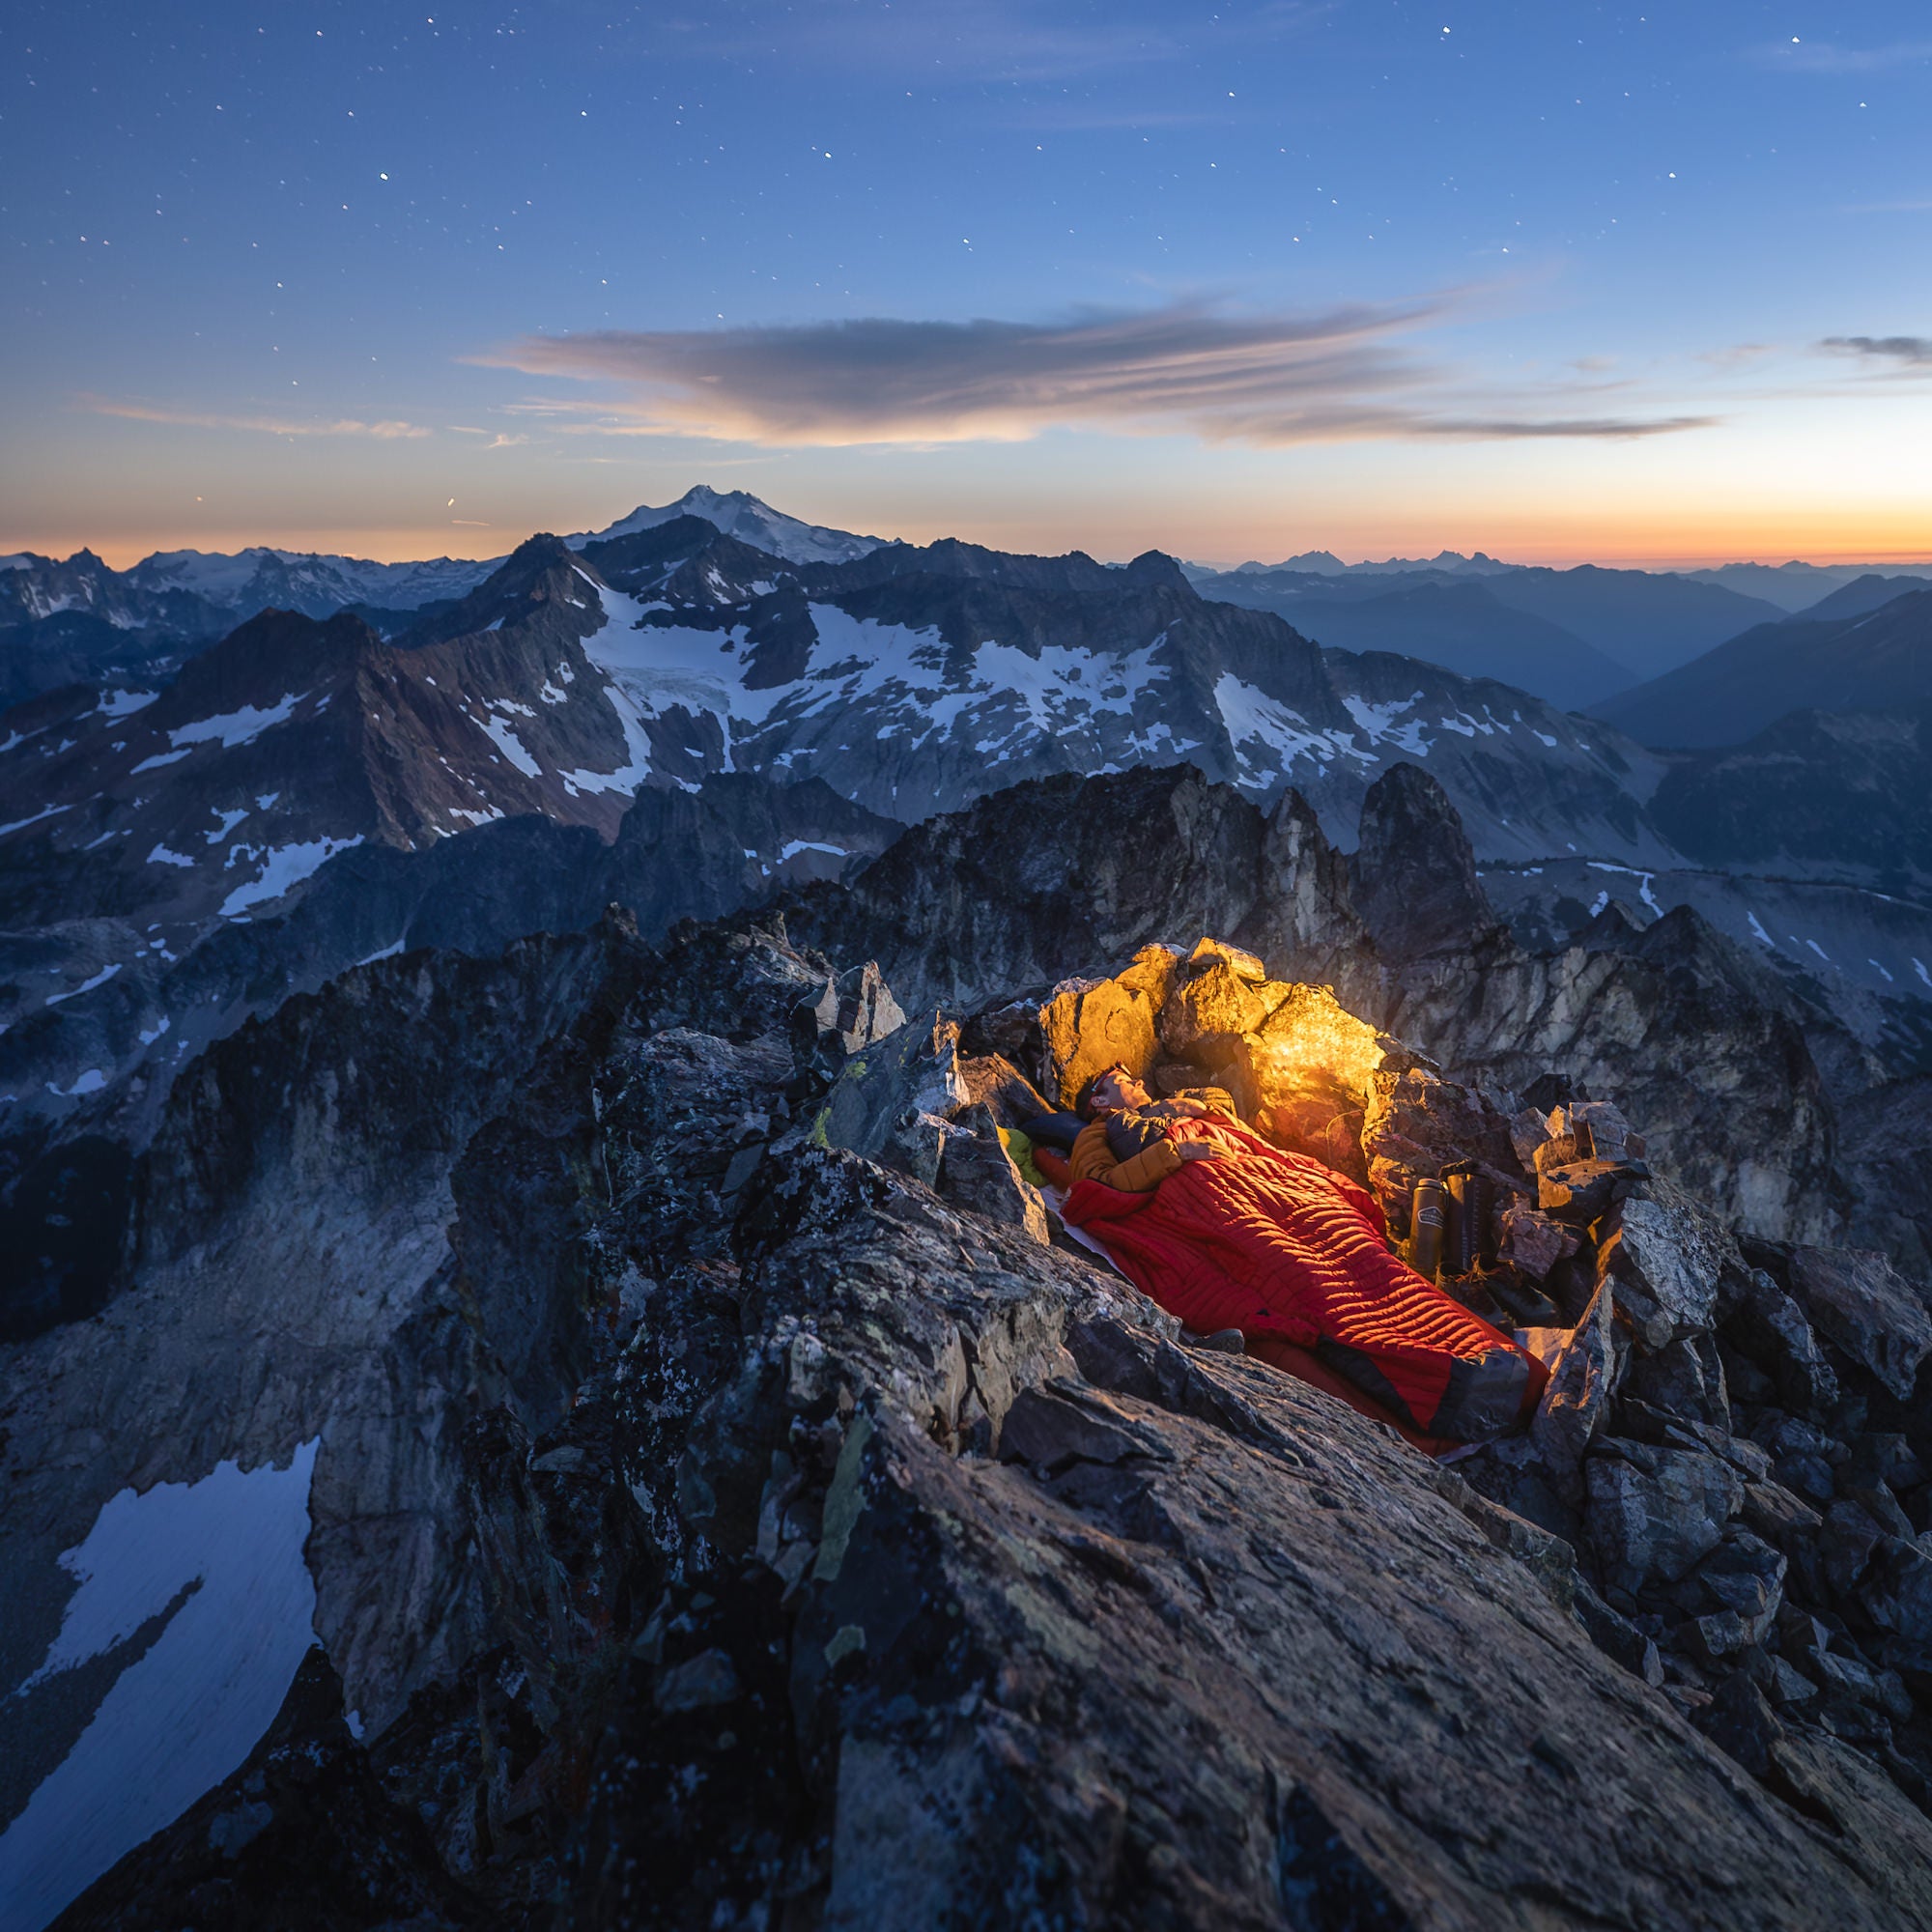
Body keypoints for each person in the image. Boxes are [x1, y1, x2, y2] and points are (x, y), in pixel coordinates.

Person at [1059, 1061, 1545, 1447]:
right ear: (1098, 1099)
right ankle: (1446, 1391)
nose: (1137, 1081)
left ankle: (1488, 1361)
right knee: (1307, 1287)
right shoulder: (1098, 1135)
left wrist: (1202, 1117)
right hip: (1213, 1207)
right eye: (1121, 1080)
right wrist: (1175, 1155)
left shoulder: (1179, 1111)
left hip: (1275, 1193)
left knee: (1370, 1264)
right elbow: (1096, 1189)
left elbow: (1254, 1147)